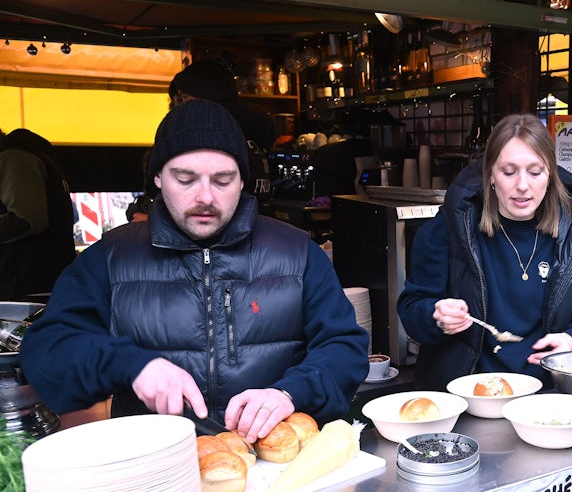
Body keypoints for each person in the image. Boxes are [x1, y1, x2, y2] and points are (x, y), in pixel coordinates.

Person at [19, 99, 369, 443]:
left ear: (243, 180)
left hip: (275, 465)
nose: (205, 197)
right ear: (158, 176)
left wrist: (288, 394)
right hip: (154, 466)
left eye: (222, 180)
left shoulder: (297, 252)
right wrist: (132, 363)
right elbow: (47, 351)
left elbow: (344, 347)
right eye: (185, 179)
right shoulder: (109, 259)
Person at [397, 113, 572, 390]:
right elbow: (411, 310)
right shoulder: (446, 232)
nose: (522, 185)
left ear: (550, 175)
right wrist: (436, 316)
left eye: (535, 172)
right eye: (509, 172)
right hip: (466, 397)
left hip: (550, 397)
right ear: (490, 175)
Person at [169, 59, 277, 214]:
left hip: (224, 217)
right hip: (260, 211)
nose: (181, 105)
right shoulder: (259, 119)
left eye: (185, 97)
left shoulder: (207, 124)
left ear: (203, 93)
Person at [0, 127, 77, 299]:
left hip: (25, 288)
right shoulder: (34, 155)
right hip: (39, 283)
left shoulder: (15, 158)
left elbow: (26, 220)